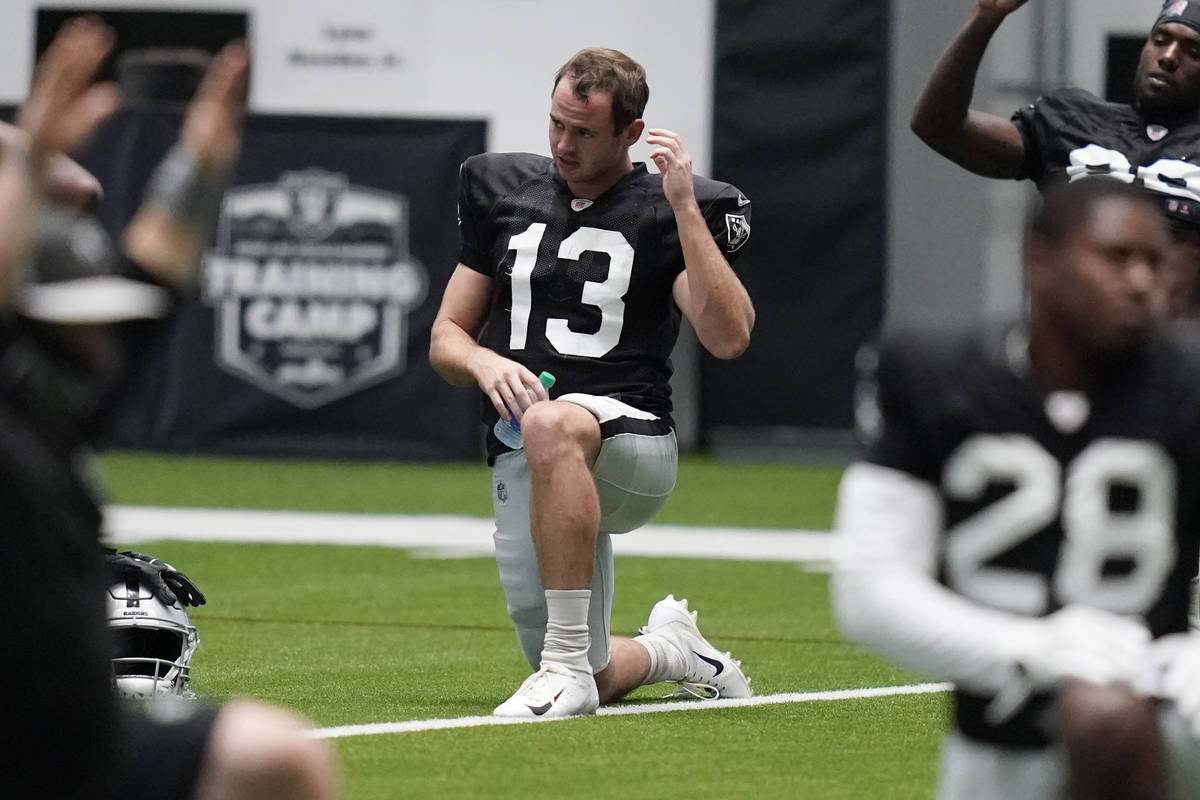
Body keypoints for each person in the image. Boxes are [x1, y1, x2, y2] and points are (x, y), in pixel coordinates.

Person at [0, 17, 338, 799]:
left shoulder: (73, 388)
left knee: (273, 756)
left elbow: (154, 271)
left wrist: (204, 160)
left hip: (73, 741)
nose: (106, 331)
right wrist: (36, 156)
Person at [832, 179, 1200, 799]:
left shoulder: (1186, 383)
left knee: (1106, 717)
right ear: (1041, 258)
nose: (1141, 282)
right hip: (999, 746)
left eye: (1155, 263)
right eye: (1116, 257)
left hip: (1160, 715)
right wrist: (1030, 648)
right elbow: (870, 589)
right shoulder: (934, 369)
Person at [429, 47, 756, 718]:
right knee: (591, 663)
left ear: (632, 134)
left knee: (553, 423)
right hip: (531, 448)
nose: (563, 143)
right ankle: (676, 652)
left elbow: (729, 337)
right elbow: (445, 340)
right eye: (556, 124)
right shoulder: (503, 190)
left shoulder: (671, 208)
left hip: (631, 443)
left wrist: (687, 210)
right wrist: (485, 361)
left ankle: (563, 667)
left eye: (583, 132)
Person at [910, 0, 1200, 316]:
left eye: (1194, 52)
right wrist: (984, 19)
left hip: (1179, 353)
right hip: (1065, 353)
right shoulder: (1073, 118)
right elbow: (938, 127)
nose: (1168, 57)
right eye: (1160, 40)